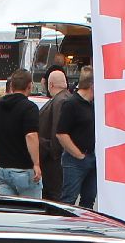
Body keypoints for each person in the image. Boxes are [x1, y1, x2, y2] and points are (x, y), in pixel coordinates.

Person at [0, 70, 43, 198]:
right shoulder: (29, 108)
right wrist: (36, 163)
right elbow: (31, 135)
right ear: (29, 86)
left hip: (3, 168)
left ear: (11, 86)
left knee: (9, 208)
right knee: (31, 208)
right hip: (24, 168)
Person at [54, 67, 98, 209]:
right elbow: (61, 133)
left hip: (93, 157)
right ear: (92, 85)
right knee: (69, 199)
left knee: (89, 199)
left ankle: (85, 223)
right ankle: (65, 223)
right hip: (74, 160)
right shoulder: (71, 103)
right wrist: (79, 155)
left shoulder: (94, 105)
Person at [35, 66, 72, 202]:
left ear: (50, 84)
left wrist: (51, 151)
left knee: (54, 197)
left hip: (53, 161)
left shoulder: (60, 101)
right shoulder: (65, 98)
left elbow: (58, 130)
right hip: (55, 158)